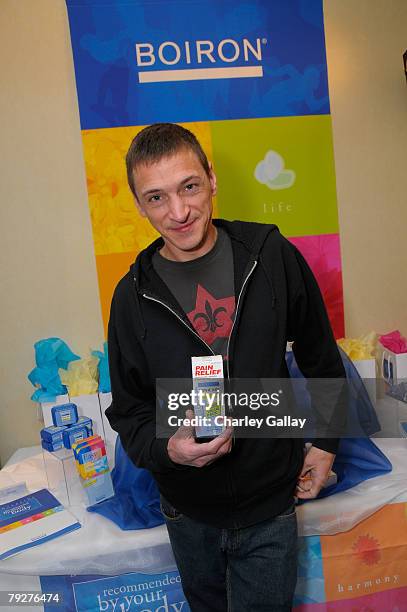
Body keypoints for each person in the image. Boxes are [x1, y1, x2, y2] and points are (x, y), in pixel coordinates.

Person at [106, 123, 346, 611]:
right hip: (186, 512)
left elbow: (321, 357)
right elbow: (129, 410)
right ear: (137, 204)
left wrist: (325, 443)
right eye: (156, 198)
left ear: (211, 179)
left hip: (270, 508)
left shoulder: (270, 255)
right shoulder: (132, 296)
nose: (178, 213)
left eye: (189, 187)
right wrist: (167, 450)